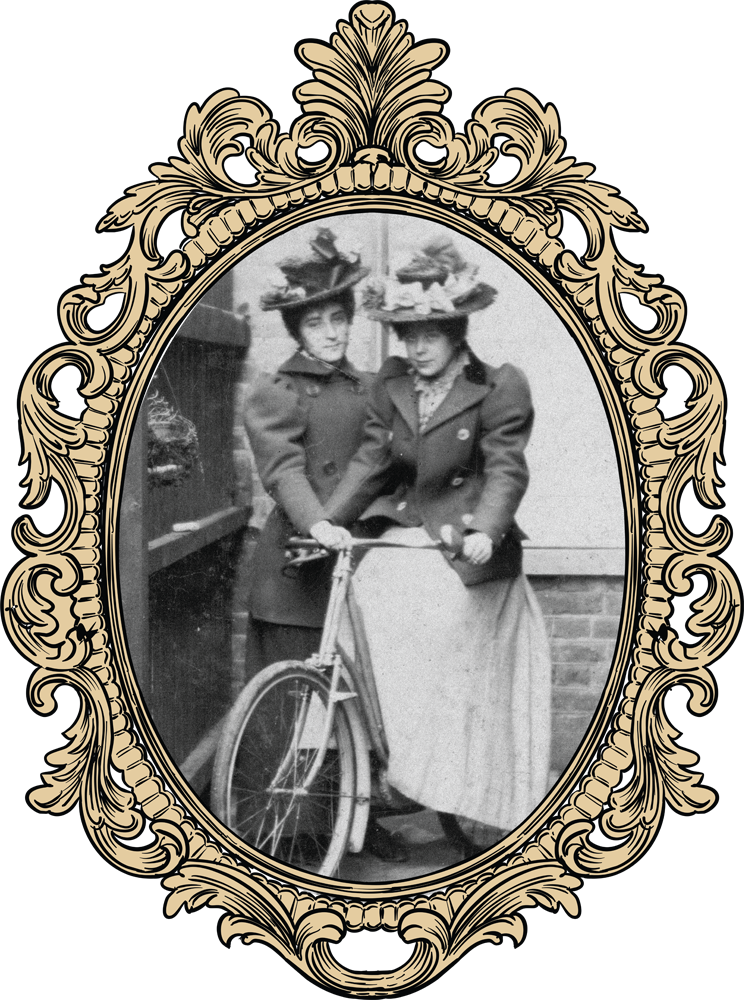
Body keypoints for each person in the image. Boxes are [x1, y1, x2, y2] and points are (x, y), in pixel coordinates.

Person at [324, 237, 552, 855]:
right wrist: (326, 523)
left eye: (430, 333)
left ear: (456, 330)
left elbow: (506, 467)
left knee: (441, 625)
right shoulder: (392, 385)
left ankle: (440, 773)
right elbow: (372, 462)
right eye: (407, 334)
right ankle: (385, 766)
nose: (416, 345)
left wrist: (487, 528)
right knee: (358, 613)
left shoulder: (498, 385)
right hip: (406, 531)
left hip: (463, 541)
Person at [242, 228, 406, 860]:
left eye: (340, 319)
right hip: (299, 563)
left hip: (354, 564)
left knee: (353, 697)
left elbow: (385, 465)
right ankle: (282, 827)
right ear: (298, 331)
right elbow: (282, 471)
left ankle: (357, 818)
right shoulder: (276, 390)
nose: (333, 333)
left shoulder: (369, 388)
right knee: (290, 702)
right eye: (318, 324)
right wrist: (319, 524)